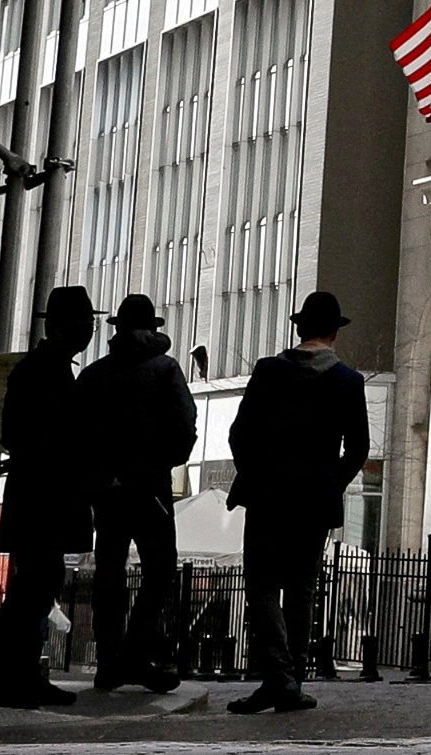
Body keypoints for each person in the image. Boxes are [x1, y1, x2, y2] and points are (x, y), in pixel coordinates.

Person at [227, 289, 371, 715]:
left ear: (299, 329)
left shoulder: (269, 371)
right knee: (301, 589)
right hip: (313, 501)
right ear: (333, 333)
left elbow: (239, 433)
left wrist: (256, 472)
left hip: (268, 496)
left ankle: (278, 678)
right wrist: (329, 482)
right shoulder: (348, 381)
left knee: (262, 586)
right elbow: (358, 448)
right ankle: (288, 681)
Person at [0, 283, 97, 708]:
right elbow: (35, 435)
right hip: (44, 495)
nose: (90, 329)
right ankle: (10, 677)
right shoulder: (44, 371)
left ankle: (18, 674)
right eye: (85, 321)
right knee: (33, 587)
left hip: (40, 494)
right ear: (66, 325)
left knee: (35, 586)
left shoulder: (47, 367)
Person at [76, 291, 197, 692]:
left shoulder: (93, 375)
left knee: (108, 572)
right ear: (153, 329)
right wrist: (161, 463)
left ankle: (110, 658)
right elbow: (185, 426)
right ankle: (136, 650)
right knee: (160, 570)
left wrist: (100, 477)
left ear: (117, 330)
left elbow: (78, 436)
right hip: (151, 488)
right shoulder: (165, 370)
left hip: (107, 491)